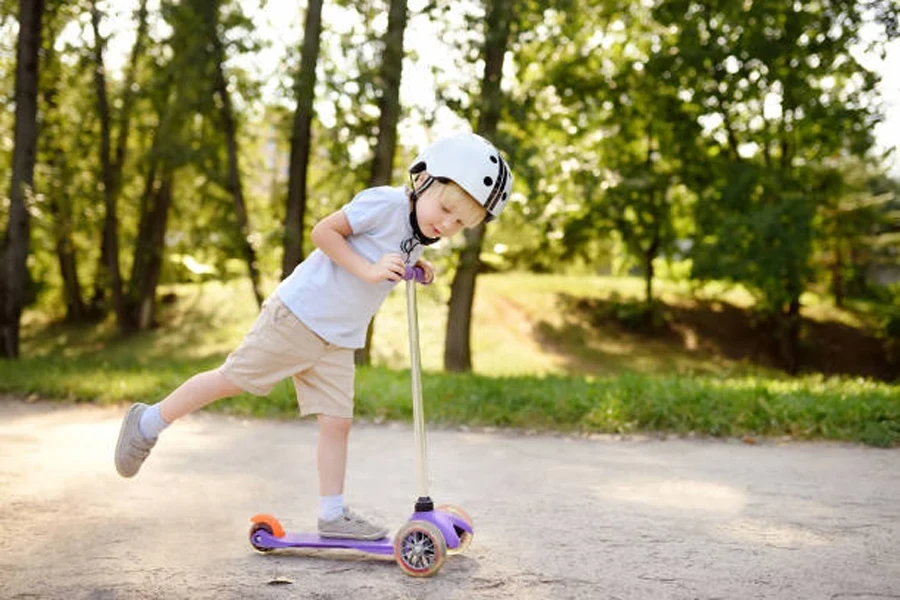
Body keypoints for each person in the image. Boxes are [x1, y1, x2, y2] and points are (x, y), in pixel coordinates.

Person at [114, 132, 513, 540]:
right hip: (298, 317)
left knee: (337, 423)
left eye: (460, 223)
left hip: (339, 339)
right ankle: (147, 421)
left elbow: (392, 255)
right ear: (424, 179)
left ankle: (332, 514)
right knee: (230, 380)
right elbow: (324, 233)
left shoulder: (419, 234)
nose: (446, 224)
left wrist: (417, 268)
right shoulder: (386, 203)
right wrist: (370, 269)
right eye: (446, 209)